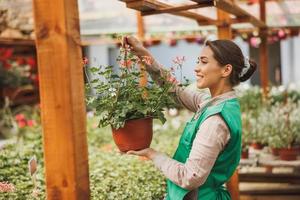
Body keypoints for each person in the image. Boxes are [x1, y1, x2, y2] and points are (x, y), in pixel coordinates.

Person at [125, 36, 257, 200]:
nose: (196, 68)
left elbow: (190, 177)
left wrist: (153, 154)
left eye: (204, 61)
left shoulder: (215, 121)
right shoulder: (214, 103)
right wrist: (143, 54)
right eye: (198, 61)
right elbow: (176, 91)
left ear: (226, 70)